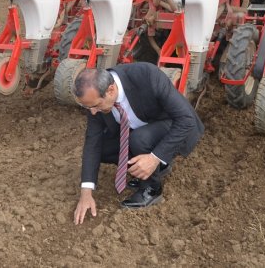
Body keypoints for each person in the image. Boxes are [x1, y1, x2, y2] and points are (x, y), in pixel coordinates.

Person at [72, 62, 204, 225]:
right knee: (103, 148)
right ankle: (159, 168)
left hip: (172, 124)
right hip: (140, 130)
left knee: (139, 139)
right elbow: (93, 141)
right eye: (88, 107)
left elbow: (186, 119)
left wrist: (154, 157)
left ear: (111, 90)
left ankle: (152, 189)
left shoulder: (146, 75)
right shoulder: (95, 99)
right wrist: (86, 193)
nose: (93, 112)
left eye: (96, 106)